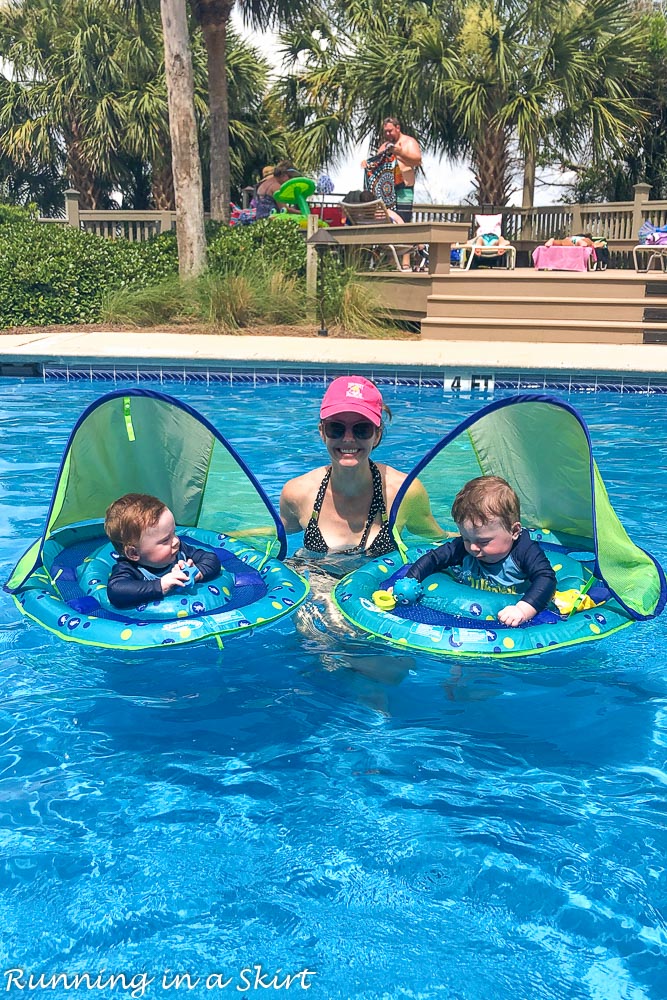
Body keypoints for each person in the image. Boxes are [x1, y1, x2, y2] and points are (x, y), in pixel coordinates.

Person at [279, 376, 442, 559]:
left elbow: (438, 541)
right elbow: (271, 538)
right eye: (336, 428)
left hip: (381, 587)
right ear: (322, 432)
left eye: (362, 429)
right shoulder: (297, 493)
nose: (348, 438)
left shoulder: (404, 491)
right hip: (316, 583)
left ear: (377, 435)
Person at [399, 476, 556, 626]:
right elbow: (433, 559)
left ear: (514, 531)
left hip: (514, 603)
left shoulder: (525, 550)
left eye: (484, 541)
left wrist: (523, 609)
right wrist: (409, 581)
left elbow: (546, 579)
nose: (472, 547)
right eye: (466, 538)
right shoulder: (463, 547)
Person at [104, 493, 221, 610]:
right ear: (134, 553)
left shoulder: (180, 551)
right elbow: (116, 591)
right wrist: (161, 585)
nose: (176, 541)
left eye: (174, 533)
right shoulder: (129, 568)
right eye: (165, 540)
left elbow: (211, 559)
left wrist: (197, 573)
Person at [364, 117, 422, 222]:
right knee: (385, 221)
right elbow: (377, 165)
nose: (388, 134)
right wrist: (367, 165)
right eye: (385, 132)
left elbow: (417, 161)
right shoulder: (383, 146)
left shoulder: (409, 142)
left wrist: (399, 153)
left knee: (402, 221)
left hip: (404, 190)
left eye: (390, 131)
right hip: (385, 192)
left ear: (398, 128)